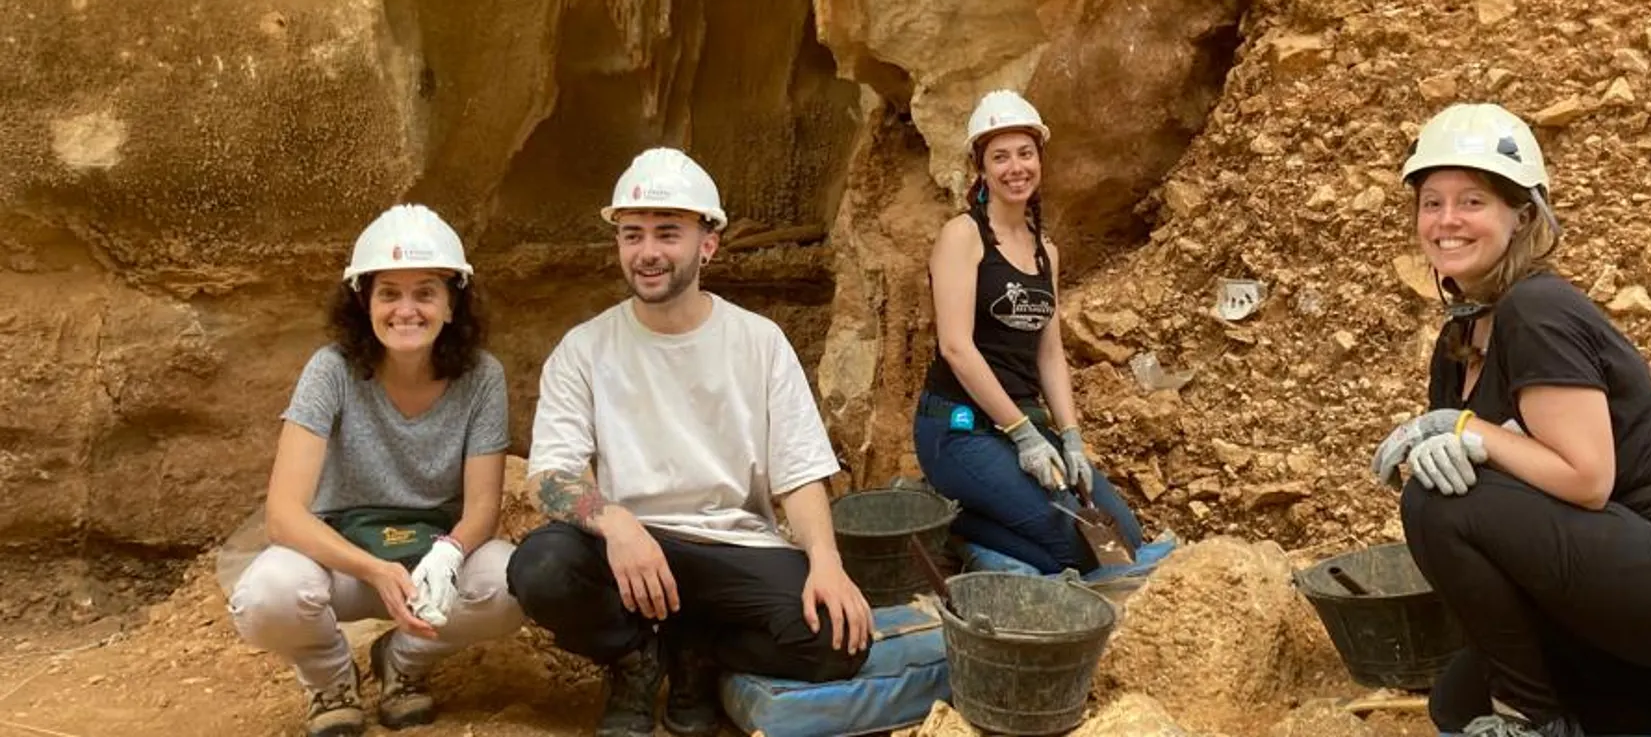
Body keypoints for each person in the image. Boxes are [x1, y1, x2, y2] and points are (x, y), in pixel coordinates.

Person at [1371, 104, 1651, 737]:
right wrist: (1457, 436)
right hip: (1622, 574)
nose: (1447, 221)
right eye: (1432, 203)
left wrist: (1463, 432)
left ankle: (1532, 724)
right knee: (1458, 702)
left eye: (1472, 201)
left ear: (1522, 215)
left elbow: (1586, 479)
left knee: (1439, 504)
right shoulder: (1461, 340)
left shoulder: (1536, 310)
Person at [506, 147, 871, 737]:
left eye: (667, 233)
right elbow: (549, 476)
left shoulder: (760, 342)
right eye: (632, 235)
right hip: (629, 550)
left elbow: (799, 472)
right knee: (541, 569)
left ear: (708, 243)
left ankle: (696, 650)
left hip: (733, 546)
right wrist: (617, 523)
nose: (647, 252)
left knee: (839, 640)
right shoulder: (585, 348)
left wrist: (826, 563)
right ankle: (632, 659)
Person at [229, 205, 522, 737]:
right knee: (267, 597)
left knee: (512, 583)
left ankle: (403, 664)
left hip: (431, 558)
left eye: (425, 292)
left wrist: (450, 554)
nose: (406, 310)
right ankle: (331, 681)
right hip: (341, 557)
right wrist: (373, 570)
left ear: (452, 303)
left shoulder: (482, 376)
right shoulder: (331, 370)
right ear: (363, 300)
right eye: (389, 292)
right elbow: (283, 516)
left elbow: (483, 507)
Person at [912, 90, 1144, 574]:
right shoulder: (964, 235)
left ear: (1040, 159)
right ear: (981, 168)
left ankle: (991, 510)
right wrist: (1023, 435)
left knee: (1124, 536)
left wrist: (1071, 437)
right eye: (1000, 157)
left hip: (1025, 426)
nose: (1015, 167)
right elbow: (956, 347)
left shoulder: (1045, 252)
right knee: (1074, 550)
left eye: (1025, 153)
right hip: (959, 428)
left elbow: (1050, 354)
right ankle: (952, 526)